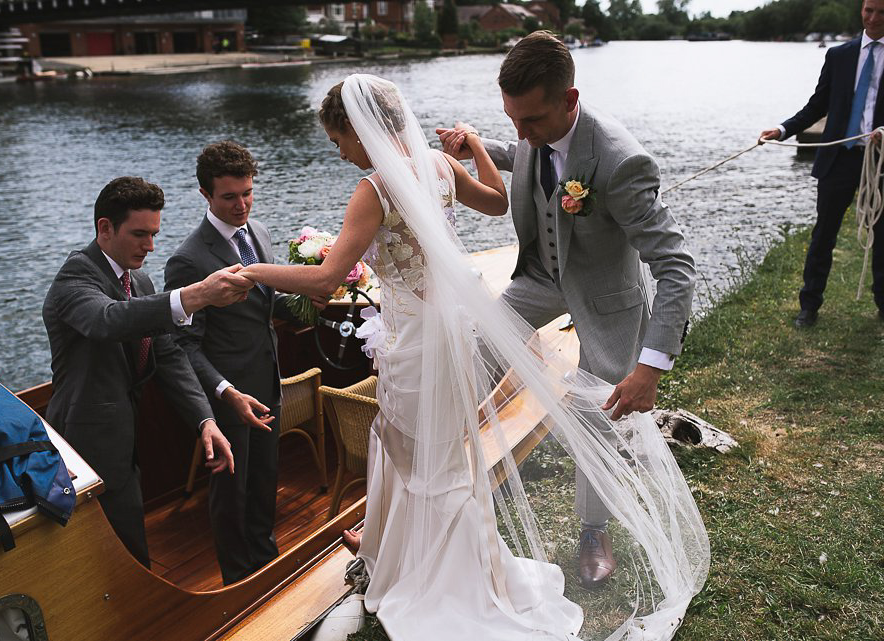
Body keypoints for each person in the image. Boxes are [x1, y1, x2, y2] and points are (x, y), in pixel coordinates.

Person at [241, 74, 708, 640]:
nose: (339, 149)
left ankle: (438, 568)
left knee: (411, 447)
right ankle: (399, 543)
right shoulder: (438, 165)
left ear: (362, 131)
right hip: (447, 328)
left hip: (414, 338)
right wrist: (480, 153)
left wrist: (249, 273)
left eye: (340, 138)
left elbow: (327, 276)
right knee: (433, 450)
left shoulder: (373, 188)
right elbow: (495, 202)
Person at [437, 30, 697, 588]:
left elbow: (677, 267)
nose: (521, 132)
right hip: (541, 277)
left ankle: (593, 530)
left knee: (596, 414)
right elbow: (529, 153)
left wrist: (650, 368)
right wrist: (480, 147)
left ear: (570, 101)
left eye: (530, 120)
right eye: (512, 119)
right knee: (474, 348)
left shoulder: (623, 164)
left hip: (607, 294)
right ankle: (440, 495)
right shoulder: (533, 130)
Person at [43, 176, 251, 568]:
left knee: (129, 552)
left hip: (127, 442)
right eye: (140, 234)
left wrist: (204, 420)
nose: (151, 246)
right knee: (114, 559)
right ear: (105, 228)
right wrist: (197, 295)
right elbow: (107, 320)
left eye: (155, 234)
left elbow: (169, 355)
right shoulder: (74, 278)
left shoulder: (138, 279)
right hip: (85, 448)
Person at [165, 141, 299, 584]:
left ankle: (266, 564)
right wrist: (225, 391)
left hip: (267, 382)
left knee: (264, 481)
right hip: (226, 396)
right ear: (205, 194)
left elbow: (267, 304)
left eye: (247, 193)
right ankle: (238, 581)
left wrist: (319, 299)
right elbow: (185, 346)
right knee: (230, 492)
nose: (241, 205)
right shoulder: (188, 260)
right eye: (229, 197)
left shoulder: (256, 231)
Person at [760, 0, 884, 328]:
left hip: (880, 164)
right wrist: (784, 129)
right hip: (838, 159)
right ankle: (809, 305)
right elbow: (818, 104)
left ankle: (883, 303)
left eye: (881, 12)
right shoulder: (839, 55)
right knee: (823, 234)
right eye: (868, 10)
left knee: (883, 235)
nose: (872, 18)